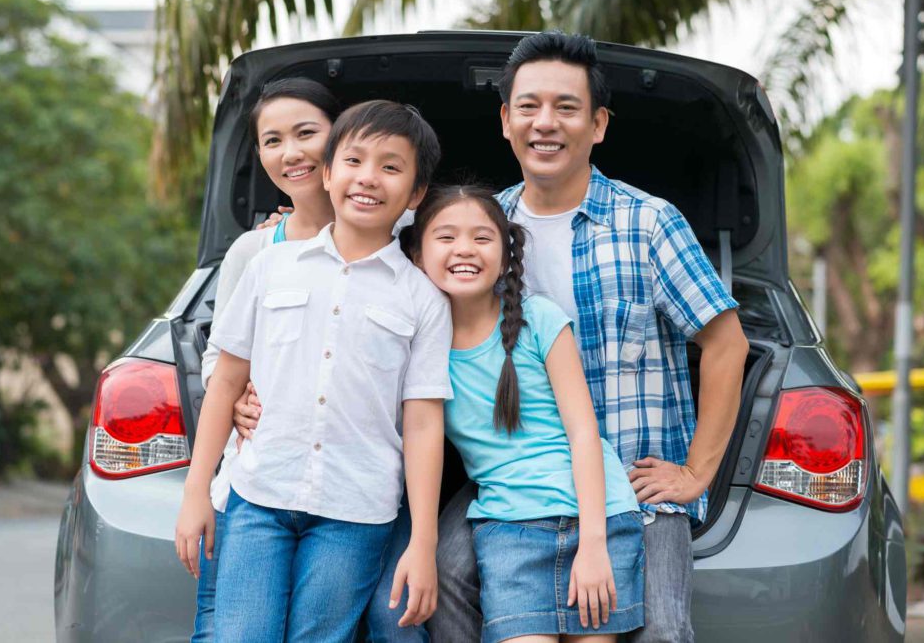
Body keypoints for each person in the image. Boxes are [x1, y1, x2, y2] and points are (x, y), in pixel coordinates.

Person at [428, 32, 749, 643]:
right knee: (445, 577)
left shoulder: (647, 221)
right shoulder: (479, 229)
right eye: (528, 106)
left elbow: (726, 343)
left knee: (663, 629)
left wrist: (695, 473)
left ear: (598, 124)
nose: (545, 123)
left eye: (566, 107)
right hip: (519, 477)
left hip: (634, 478)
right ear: (505, 120)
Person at [176, 100, 452, 642]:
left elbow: (422, 424)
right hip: (259, 498)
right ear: (328, 173)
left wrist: (421, 543)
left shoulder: (423, 298)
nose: (368, 179)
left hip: (357, 513)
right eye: (354, 161)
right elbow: (226, 382)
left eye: (392, 167)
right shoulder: (268, 266)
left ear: (416, 195)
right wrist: (194, 494)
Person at [402, 185, 645, 642]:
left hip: (598, 517)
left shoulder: (538, 318)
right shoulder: (417, 345)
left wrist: (594, 545)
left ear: (505, 250)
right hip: (510, 530)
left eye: (482, 237)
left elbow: (584, 435)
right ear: (416, 254)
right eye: (446, 237)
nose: (464, 250)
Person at [190, 77, 340, 642]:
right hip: (252, 478)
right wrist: (236, 402)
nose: (291, 153)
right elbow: (217, 357)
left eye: (307, 133)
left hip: (351, 488)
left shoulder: (398, 238)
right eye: (273, 141)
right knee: (224, 626)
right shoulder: (255, 249)